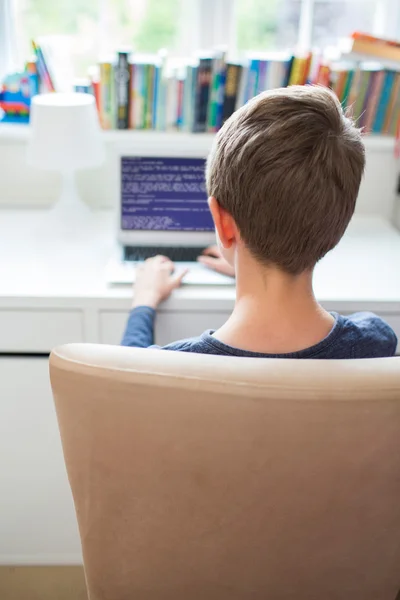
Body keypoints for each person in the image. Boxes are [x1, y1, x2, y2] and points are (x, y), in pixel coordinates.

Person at [121, 85, 397, 358]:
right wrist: (271, 264)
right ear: (340, 223)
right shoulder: (375, 341)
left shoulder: (170, 364)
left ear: (223, 224)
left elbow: (126, 367)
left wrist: (143, 302)